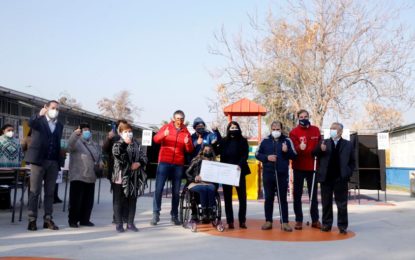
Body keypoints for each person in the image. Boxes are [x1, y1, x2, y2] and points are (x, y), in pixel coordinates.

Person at [25, 100, 64, 231]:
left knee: (50, 192)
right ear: (46, 108)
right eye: (53, 108)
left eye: (57, 109)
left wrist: (60, 161)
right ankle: (32, 219)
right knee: (34, 191)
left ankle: (48, 219)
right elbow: (30, 123)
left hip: (53, 161)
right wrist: (38, 115)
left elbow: (57, 142)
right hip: (38, 161)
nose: (55, 111)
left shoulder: (59, 125)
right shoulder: (39, 121)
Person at [151, 110, 193, 226]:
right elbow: (155, 140)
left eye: (182, 119)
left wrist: (187, 143)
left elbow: (190, 149)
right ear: (173, 119)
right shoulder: (166, 127)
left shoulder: (186, 132)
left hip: (178, 164)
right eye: (178, 118)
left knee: (176, 191)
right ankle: (156, 214)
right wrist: (163, 135)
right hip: (164, 162)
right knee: (158, 189)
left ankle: (174, 215)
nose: (180, 121)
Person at [313, 122, 355, 234]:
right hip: (326, 178)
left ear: (340, 131)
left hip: (341, 179)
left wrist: (348, 173)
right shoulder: (324, 142)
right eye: (331, 128)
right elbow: (314, 153)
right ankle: (326, 224)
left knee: (342, 204)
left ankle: (342, 226)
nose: (332, 130)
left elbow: (352, 162)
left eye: (334, 128)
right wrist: (320, 149)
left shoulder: (348, 144)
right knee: (326, 203)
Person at [256, 121, 296, 231]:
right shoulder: (265, 140)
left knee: (282, 199)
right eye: (273, 129)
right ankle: (268, 221)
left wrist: (286, 151)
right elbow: (257, 154)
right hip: (268, 174)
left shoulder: (287, 140)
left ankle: (285, 222)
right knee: (268, 198)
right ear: (270, 129)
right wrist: (267, 157)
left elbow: (294, 155)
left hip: (282, 174)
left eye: (278, 129)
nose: (275, 131)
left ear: (281, 129)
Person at [289, 109, 322, 230]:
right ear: (298, 118)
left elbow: (319, 145)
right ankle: (298, 220)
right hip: (298, 167)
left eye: (306, 116)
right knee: (297, 194)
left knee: (313, 195)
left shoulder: (316, 130)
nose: (304, 118)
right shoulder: (294, 132)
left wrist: (316, 151)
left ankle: (315, 220)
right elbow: (292, 150)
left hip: (313, 167)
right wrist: (299, 147)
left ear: (309, 116)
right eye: (301, 117)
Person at [112, 122, 148, 232]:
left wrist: (139, 163)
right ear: (121, 133)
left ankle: (130, 223)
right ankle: (119, 223)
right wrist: (125, 145)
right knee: (118, 200)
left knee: (132, 200)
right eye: (125, 132)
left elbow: (144, 157)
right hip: (120, 177)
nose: (128, 134)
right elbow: (119, 156)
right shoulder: (117, 144)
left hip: (134, 178)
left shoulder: (137, 145)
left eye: (130, 131)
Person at [214, 121, 250, 229]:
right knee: (228, 198)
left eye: (235, 127)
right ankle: (230, 221)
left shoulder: (243, 140)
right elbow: (216, 152)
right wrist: (215, 143)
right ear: (228, 129)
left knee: (242, 197)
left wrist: (239, 165)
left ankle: (242, 221)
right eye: (231, 127)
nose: (233, 129)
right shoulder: (224, 141)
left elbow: (245, 154)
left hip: (239, 171)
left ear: (238, 128)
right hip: (226, 172)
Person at [67, 123, 102, 228]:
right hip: (78, 175)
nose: (87, 132)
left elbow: (98, 156)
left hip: (91, 176)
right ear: (80, 132)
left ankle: (85, 220)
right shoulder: (76, 142)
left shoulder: (94, 144)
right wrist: (74, 134)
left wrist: (100, 162)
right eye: (84, 130)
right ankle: (73, 220)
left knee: (88, 201)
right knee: (76, 201)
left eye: (88, 130)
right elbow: (69, 145)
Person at [102, 119, 129, 223]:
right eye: (122, 126)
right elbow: (104, 148)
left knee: (126, 195)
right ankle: (116, 217)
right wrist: (109, 138)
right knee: (117, 196)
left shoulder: (129, 138)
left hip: (127, 172)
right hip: (115, 172)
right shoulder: (113, 138)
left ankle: (125, 216)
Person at [185, 145, 218, 223]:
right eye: (206, 150)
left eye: (209, 150)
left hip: (208, 183)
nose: (207, 152)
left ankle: (210, 212)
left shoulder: (213, 162)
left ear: (212, 151)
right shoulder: (197, 160)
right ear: (202, 151)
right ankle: (204, 213)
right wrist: (194, 177)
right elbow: (187, 172)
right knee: (203, 189)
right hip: (195, 183)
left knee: (211, 188)